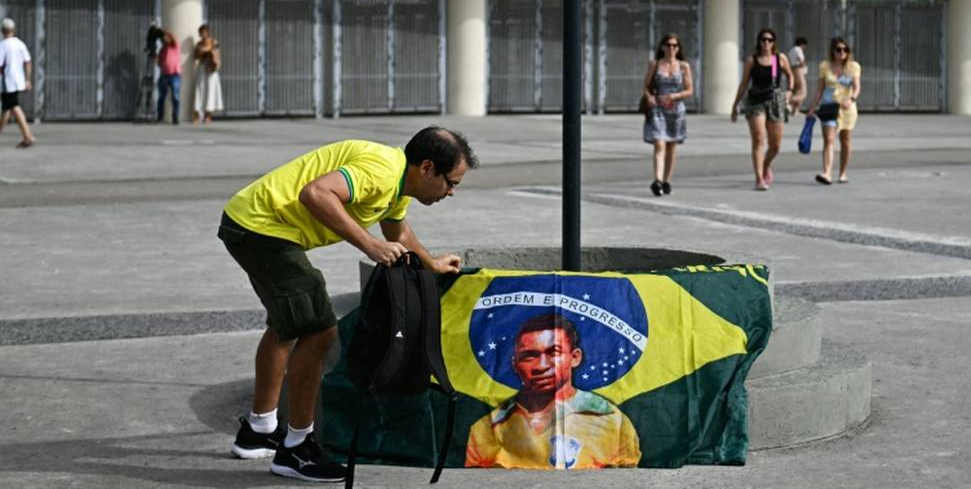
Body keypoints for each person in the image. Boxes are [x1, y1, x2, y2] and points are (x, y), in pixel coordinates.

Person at [219, 126, 474, 482]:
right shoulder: (382, 171)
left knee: (286, 324)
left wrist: (431, 264)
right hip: (263, 230)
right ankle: (297, 449)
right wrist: (370, 247)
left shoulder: (399, 181)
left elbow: (397, 232)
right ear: (428, 167)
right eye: (452, 182)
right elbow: (316, 193)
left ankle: (258, 431)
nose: (451, 192)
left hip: (252, 223)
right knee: (319, 331)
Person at [466, 313, 641, 469]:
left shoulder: (612, 420)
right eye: (529, 356)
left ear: (575, 357)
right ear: (515, 364)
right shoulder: (488, 427)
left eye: (554, 353)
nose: (541, 366)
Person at [730, 27, 794, 191]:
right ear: (758, 42)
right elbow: (744, 83)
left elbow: (790, 75)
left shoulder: (778, 59)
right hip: (756, 101)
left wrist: (790, 91)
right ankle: (759, 178)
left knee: (775, 145)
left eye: (770, 40)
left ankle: (766, 164)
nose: (766, 43)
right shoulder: (752, 60)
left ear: (774, 43)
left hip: (775, 100)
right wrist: (735, 104)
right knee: (759, 139)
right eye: (763, 40)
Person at [642, 34, 693, 196]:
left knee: (672, 146)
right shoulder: (655, 64)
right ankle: (657, 181)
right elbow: (646, 87)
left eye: (674, 45)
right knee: (659, 143)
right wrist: (649, 98)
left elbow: (690, 90)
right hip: (658, 108)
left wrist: (675, 96)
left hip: (676, 110)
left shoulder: (684, 66)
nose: (671, 48)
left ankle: (667, 180)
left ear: (678, 48)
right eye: (668, 45)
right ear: (663, 47)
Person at [806, 37, 861, 185]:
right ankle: (827, 173)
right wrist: (812, 108)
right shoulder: (825, 66)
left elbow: (856, 87)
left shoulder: (853, 66)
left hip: (847, 108)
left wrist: (852, 99)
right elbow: (819, 90)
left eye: (845, 49)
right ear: (833, 51)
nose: (842, 52)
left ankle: (843, 173)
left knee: (845, 140)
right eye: (838, 49)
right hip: (829, 107)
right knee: (829, 140)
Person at [0, 18, 35, 148]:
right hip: (18, 81)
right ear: (14, 30)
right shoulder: (20, 44)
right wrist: (27, 79)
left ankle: (28, 136)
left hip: (7, 82)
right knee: (7, 109)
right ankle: (27, 136)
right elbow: (28, 62)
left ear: (2, 31)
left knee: (13, 106)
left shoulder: (3, 45)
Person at [193, 24, 223, 124]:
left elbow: (216, 53)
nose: (202, 34)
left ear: (207, 32)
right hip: (202, 67)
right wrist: (200, 51)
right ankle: (197, 115)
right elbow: (196, 56)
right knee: (199, 89)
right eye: (200, 32)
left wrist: (207, 49)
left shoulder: (214, 42)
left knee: (211, 91)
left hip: (211, 69)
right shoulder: (199, 44)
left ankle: (208, 115)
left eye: (203, 32)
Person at [156, 27, 181, 124]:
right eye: (163, 38)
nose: (164, 39)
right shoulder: (162, 49)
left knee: (175, 96)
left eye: (166, 37)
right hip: (164, 75)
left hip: (175, 74)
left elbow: (173, 38)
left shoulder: (174, 45)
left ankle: (175, 116)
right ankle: (160, 116)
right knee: (161, 97)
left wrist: (165, 31)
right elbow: (160, 62)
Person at [788, 36, 809, 113]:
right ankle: (787, 101)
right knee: (803, 92)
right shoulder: (798, 49)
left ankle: (795, 110)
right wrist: (804, 67)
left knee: (796, 91)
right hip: (798, 69)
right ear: (801, 44)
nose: (804, 47)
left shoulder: (791, 51)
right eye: (804, 45)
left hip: (792, 69)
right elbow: (801, 60)